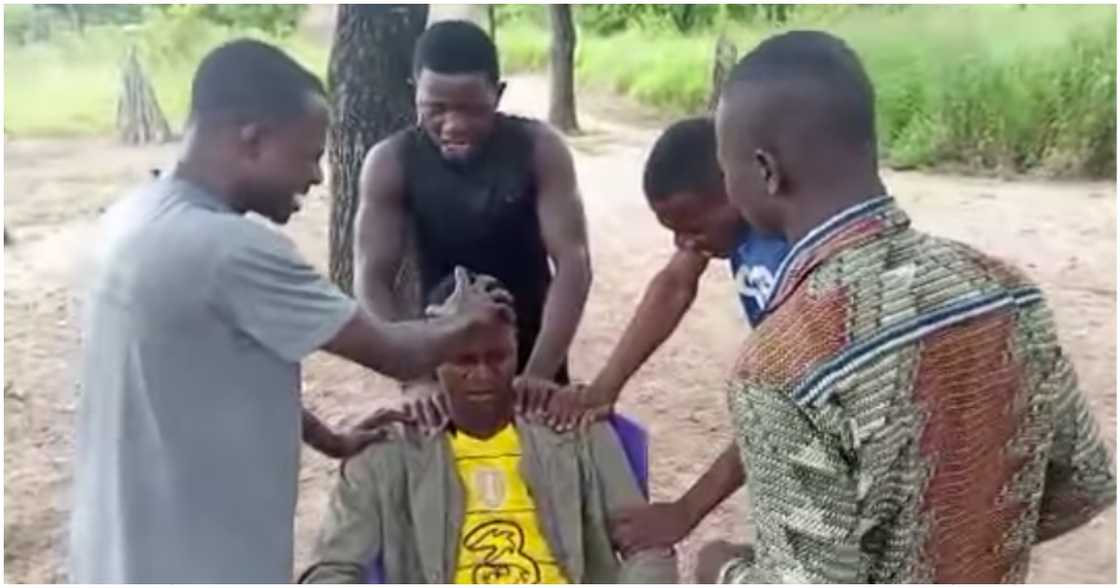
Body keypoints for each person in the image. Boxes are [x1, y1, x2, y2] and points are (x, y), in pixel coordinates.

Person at [69, 39, 510, 583]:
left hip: (119, 550)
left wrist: (328, 438)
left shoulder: (135, 215)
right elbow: (396, 353)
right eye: (311, 156)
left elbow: (201, 371)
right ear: (253, 139)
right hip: (197, 561)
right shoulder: (230, 248)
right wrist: (466, 318)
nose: (319, 178)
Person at [703, 30, 1115, 583]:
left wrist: (723, 570)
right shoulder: (1006, 290)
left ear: (765, 170)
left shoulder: (781, 363)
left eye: (727, 171)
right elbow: (1080, 483)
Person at [300, 271, 678, 584]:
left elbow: (649, 548)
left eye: (497, 357)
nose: (482, 374)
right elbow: (331, 569)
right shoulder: (388, 450)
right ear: (431, 358)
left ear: (517, 348)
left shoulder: (574, 426)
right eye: (464, 360)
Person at [529, 118, 790, 554]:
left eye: (691, 226)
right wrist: (603, 389)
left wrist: (685, 512)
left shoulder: (791, 261)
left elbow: (784, 410)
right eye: (671, 229)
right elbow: (673, 286)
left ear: (739, 186)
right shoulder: (735, 229)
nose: (683, 242)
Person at [353, 20, 591, 423]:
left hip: (533, 347)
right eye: (436, 109)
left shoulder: (539, 149)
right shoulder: (391, 162)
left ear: (497, 95)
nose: (454, 124)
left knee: (537, 472)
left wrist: (538, 372)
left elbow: (573, 263)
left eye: (472, 109)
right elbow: (371, 277)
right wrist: (413, 376)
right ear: (415, 95)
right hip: (441, 356)